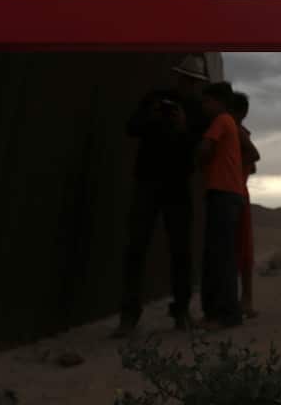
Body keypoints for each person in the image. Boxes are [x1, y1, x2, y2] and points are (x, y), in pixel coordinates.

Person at [111, 54, 209, 337]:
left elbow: (199, 151)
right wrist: (152, 116)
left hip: (178, 185)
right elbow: (131, 128)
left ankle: (181, 311)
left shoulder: (198, 112)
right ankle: (129, 315)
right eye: (186, 79)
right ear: (178, 77)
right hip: (147, 182)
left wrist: (182, 128)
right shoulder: (154, 99)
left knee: (181, 250)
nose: (188, 85)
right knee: (136, 247)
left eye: (194, 81)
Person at [197, 81, 246, 329]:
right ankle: (216, 312)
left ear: (218, 102)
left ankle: (228, 314)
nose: (204, 106)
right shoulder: (230, 123)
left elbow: (205, 149)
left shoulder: (221, 120)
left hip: (224, 193)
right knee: (217, 254)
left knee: (222, 256)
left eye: (207, 101)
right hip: (227, 193)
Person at [230, 90, 261, 318]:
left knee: (240, 248)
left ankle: (246, 300)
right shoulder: (239, 132)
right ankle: (244, 300)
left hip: (235, 192)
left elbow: (253, 160)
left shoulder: (238, 133)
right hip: (239, 191)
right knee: (240, 248)